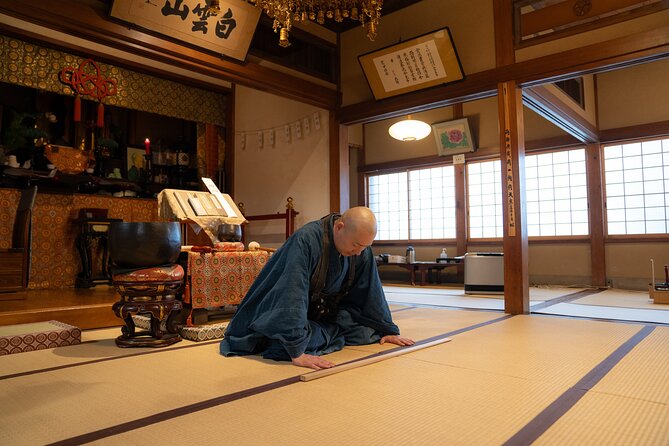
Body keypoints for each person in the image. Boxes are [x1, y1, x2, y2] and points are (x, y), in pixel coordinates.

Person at [220, 206, 414, 370]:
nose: (358, 252)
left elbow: (371, 290)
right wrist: (297, 351)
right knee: (287, 343)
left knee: (367, 333)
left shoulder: (360, 249)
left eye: (364, 247)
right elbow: (291, 292)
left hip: (322, 314)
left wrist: (386, 328)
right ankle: (295, 340)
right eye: (356, 245)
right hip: (284, 311)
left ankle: (321, 333)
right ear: (339, 227)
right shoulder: (306, 240)